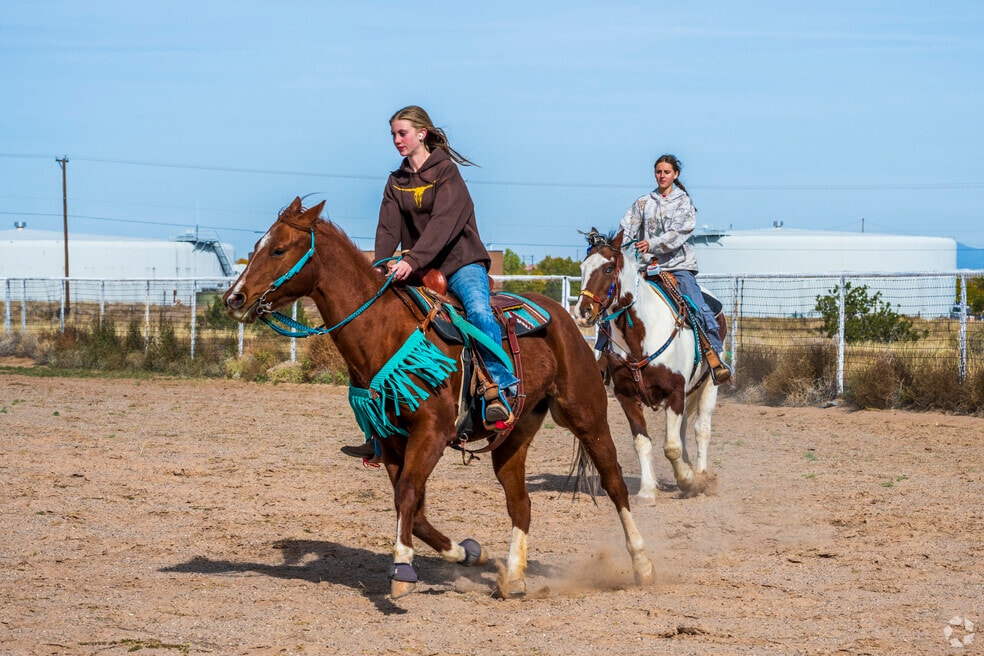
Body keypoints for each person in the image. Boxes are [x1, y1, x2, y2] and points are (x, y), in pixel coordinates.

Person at [341, 105, 520, 460]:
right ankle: (379, 429)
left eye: (402, 133)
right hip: (418, 267)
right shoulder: (397, 181)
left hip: (460, 263)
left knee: (480, 311)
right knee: (381, 325)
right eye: (393, 134)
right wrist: (380, 265)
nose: (396, 140)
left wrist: (410, 260)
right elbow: (387, 227)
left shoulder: (447, 173)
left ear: (422, 133)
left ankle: (498, 390)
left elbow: (443, 225)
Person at [619, 154, 732, 384]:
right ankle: (602, 359)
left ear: (675, 175)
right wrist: (618, 246)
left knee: (698, 306)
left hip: (677, 265)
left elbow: (680, 233)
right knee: (616, 301)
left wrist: (651, 244)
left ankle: (714, 356)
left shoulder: (683, 203)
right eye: (658, 172)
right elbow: (627, 228)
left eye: (666, 172)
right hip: (645, 266)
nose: (662, 176)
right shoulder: (643, 202)